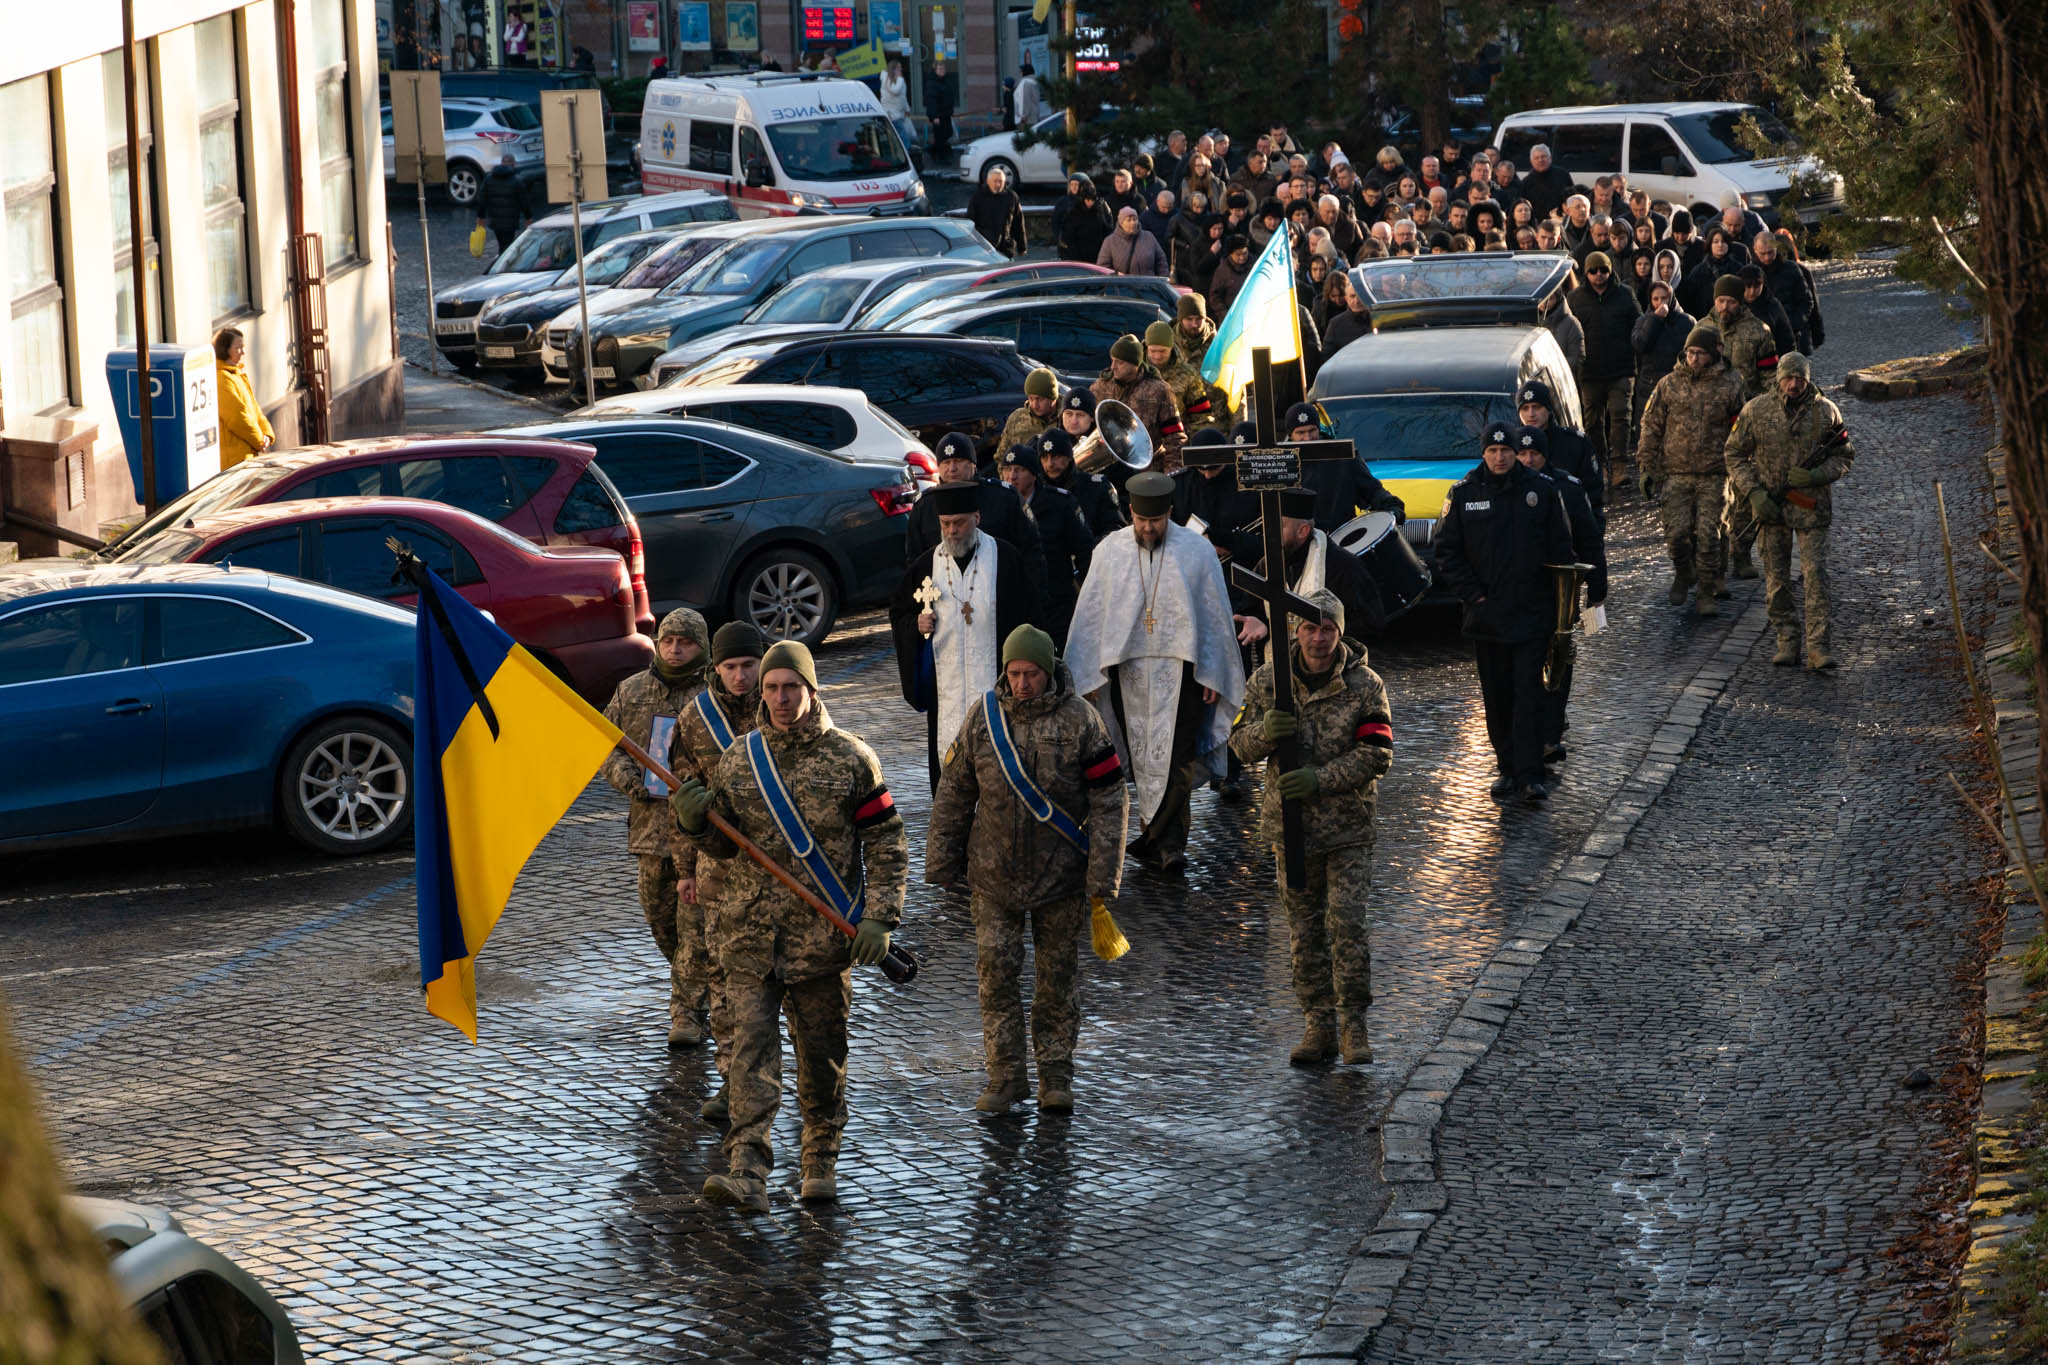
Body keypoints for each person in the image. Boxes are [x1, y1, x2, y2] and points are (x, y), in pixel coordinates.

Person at [670, 642, 906, 1212]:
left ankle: (819, 1161)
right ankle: (747, 1171)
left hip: (820, 945)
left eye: (789, 687)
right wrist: (696, 825)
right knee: (749, 1056)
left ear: (811, 690)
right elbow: (724, 847)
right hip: (747, 939)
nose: (779, 698)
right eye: (771, 688)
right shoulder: (740, 759)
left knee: (821, 1060)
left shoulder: (852, 759)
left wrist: (880, 916)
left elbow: (887, 842)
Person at [927, 624, 1127, 1113]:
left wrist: (1103, 874)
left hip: (1060, 878)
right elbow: (955, 791)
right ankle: (1005, 1077)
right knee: (995, 978)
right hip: (992, 879)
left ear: (1048, 670)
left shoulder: (1082, 720)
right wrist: (942, 861)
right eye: (1014, 673)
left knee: (1056, 981)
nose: (1022, 683)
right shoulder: (983, 717)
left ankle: (1055, 1077)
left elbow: (1109, 798)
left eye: (1031, 673)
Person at [1229, 587, 1390, 1067]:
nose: (1318, 639)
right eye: (1309, 628)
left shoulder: (1365, 685)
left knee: (1347, 924)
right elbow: (1238, 746)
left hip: (1347, 828)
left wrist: (1319, 779)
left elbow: (1377, 753)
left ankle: (1353, 1026)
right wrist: (1266, 734)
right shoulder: (1267, 682)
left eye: (1328, 629)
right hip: (1291, 831)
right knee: (1303, 933)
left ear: (1341, 632)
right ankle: (1317, 1025)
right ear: (1294, 633)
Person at [1063, 471, 1246, 877]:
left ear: (1168, 513)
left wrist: (1212, 672)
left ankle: (1168, 845)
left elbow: (1213, 616)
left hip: (1184, 675)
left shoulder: (1195, 551)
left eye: (1156, 521)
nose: (1148, 528)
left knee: (1176, 758)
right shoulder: (1110, 551)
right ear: (1131, 512)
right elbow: (1092, 615)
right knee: (1143, 759)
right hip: (1125, 673)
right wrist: (1090, 676)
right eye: (1142, 521)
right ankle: (1155, 838)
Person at [1433, 423, 1575, 804]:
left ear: (1515, 452)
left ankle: (1531, 773)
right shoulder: (1463, 494)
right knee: (1497, 697)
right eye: (1493, 451)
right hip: (1487, 617)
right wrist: (1474, 597)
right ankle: (1507, 768)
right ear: (1483, 453)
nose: (1500, 457)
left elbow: (1562, 550)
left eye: (1506, 451)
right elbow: (1447, 553)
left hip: (1531, 614)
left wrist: (1563, 610)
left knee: (1528, 694)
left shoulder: (1541, 490)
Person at [667, 620, 769, 1124]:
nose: (740, 676)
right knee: (725, 984)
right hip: (717, 871)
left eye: (748, 665)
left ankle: (773, 1082)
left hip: (778, 870)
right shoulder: (694, 720)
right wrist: (684, 869)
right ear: (716, 669)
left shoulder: (784, 703)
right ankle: (732, 1085)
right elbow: (680, 798)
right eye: (730, 667)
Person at [601, 609, 712, 1046]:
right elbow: (605, 746)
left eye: (685, 641)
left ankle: (686, 1014)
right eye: (668, 641)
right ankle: (700, 986)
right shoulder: (631, 693)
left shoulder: (714, 695)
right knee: (664, 926)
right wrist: (629, 780)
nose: (675, 649)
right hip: (650, 835)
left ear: (701, 646)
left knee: (695, 928)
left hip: (703, 839)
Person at [893, 480, 1044, 786]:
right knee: (951, 781)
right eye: (945, 524)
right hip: (945, 696)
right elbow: (900, 613)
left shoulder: (1006, 559)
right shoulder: (925, 567)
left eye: (959, 522)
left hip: (1000, 696)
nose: (952, 531)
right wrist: (915, 627)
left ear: (977, 518)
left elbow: (1031, 617)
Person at [1725, 352, 1854, 670]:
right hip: (1772, 509)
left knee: (1815, 577)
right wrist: (1754, 492)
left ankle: (1818, 647)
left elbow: (1844, 456)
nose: (1794, 384)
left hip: (1812, 510)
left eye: (1800, 378)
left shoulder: (1825, 412)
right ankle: (1787, 641)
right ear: (1778, 377)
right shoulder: (1755, 410)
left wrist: (1815, 476)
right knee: (1777, 580)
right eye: (1788, 377)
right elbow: (1734, 453)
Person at [1510, 425, 1606, 767]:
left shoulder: (1566, 485)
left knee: (1560, 659)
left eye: (1534, 453)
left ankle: (1550, 734)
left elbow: (1589, 537)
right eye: (1522, 454)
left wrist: (1598, 590)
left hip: (1559, 590)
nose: (1528, 460)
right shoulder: (1507, 487)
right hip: (1517, 591)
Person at [1637, 324, 1746, 615]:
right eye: (1690, 353)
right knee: (1677, 534)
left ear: (1714, 354)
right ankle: (1684, 572)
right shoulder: (1669, 384)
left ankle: (1706, 593)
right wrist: (1647, 466)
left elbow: (1742, 430)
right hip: (1676, 472)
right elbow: (1651, 425)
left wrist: (1740, 466)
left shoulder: (1732, 384)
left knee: (1709, 534)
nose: (1694, 359)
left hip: (1715, 472)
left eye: (1700, 353)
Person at [903, 433, 1048, 608]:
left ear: (973, 464)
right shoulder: (924, 506)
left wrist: (1033, 601)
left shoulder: (1004, 497)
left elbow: (1031, 551)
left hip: (1000, 597)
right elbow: (915, 560)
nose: (952, 468)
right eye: (946, 463)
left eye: (958, 461)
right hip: (945, 603)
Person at [1709, 273, 1781, 581]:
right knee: (1713, 495)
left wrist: (1763, 415)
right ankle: (1713, 559)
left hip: (1745, 424)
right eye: (1721, 300)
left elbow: (1770, 377)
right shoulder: (1702, 330)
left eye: (1731, 301)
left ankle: (1741, 553)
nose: (1725, 307)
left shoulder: (1758, 332)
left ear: (1741, 302)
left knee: (1744, 491)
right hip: (1709, 426)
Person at [1003, 436, 1096, 643]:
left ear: (1034, 474)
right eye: (1007, 470)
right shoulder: (999, 505)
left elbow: (1084, 551)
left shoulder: (1060, 503)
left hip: (1056, 602)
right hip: (1013, 602)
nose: (1012, 476)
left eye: (1019, 470)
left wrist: (1088, 595)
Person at [1567, 250, 1642, 491]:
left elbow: (1638, 325)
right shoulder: (1576, 298)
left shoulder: (1625, 295)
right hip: (1590, 371)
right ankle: (1599, 465)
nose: (1599, 275)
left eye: (1604, 270)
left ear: (1611, 271)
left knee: (1621, 416)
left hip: (1621, 368)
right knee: (1592, 421)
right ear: (1586, 273)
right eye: (1593, 271)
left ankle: (1619, 465)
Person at [1171, 428, 1263, 568]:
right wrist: (1199, 543)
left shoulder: (1249, 484)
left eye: (1214, 469)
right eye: (1202, 470)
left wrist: (1229, 543)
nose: (1208, 475)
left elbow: (1264, 541)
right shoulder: (1179, 485)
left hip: (1238, 567)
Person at [1514, 379, 1601, 526]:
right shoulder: (1511, 446)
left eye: (1536, 407)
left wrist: (1595, 533)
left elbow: (1593, 494)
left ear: (1548, 408)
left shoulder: (1575, 443)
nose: (1531, 414)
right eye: (1525, 408)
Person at [1091, 333, 1185, 470]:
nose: (1113, 366)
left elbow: (1175, 438)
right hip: (1107, 469)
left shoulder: (1159, 390)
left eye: (1120, 362)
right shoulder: (1100, 387)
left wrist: (1173, 475)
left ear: (1135, 364)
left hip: (1148, 471)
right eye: (1112, 360)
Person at [1041, 401, 1125, 536]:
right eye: (1045, 457)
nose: (1050, 464)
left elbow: (1113, 528)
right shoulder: (1036, 487)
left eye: (1056, 457)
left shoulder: (1097, 486)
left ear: (1068, 457)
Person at [1631, 279, 1694, 450]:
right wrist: (1655, 320)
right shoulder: (1643, 321)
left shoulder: (1686, 321)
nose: (1660, 303)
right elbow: (1640, 345)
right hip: (1650, 384)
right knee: (1648, 435)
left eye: (1664, 298)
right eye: (1655, 299)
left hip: (1678, 383)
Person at [214, 327, 273, 470]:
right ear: (225, 349)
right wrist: (259, 440)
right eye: (238, 348)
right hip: (234, 458)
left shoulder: (236, 374)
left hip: (245, 453)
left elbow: (254, 408)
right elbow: (236, 417)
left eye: (243, 347)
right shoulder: (222, 378)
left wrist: (267, 434)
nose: (243, 352)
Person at [1146, 321, 1217, 435]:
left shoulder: (1188, 375)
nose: (1157, 356)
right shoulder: (1134, 371)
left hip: (1176, 443)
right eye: (1153, 351)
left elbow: (1201, 417)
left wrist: (1193, 443)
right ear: (1146, 347)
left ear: (1171, 347)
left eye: (1162, 351)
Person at [998, 367, 1061, 456]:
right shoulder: (1017, 418)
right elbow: (1002, 457)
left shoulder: (1068, 418)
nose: (1035, 405)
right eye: (1031, 399)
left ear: (1052, 398)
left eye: (1040, 399)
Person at [968, 166, 1027, 258]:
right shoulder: (978, 197)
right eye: (995, 181)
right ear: (988, 181)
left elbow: (1018, 223)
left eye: (1001, 181)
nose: (998, 184)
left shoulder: (1011, 197)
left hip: (1006, 247)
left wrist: (1022, 247)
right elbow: (970, 222)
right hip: (984, 247)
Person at [476, 153, 527, 257]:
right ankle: (504, 264)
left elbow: (482, 199)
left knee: (501, 243)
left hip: (495, 220)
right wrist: (528, 217)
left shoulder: (489, 178)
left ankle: (501, 259)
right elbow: (524, 201)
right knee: (508, 245)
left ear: (501, 163)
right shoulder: (517, 180)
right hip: (511, 221)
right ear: (513, 165)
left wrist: (481, 217)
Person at [1098, 206, 1169, 276]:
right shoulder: (1110, 241)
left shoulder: (1149, 236)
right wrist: (1115, 275)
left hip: (1148, 285)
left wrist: (1163, 279)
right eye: (1129, 220)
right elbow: (1102, 268)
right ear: (1121, 223)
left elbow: (1161, 261)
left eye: (1135, 219)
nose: (1133, 223)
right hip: (1123, 286)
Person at [1059, 175, 1114, 265]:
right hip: (1079, 257)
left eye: (1092, 199)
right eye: (1087, 199)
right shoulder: (1073, 213)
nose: (1090, 203)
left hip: (1098, 255)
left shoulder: (1100, 209)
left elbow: (1107, 230)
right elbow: (1069, 238)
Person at [924, 57, 956, 156]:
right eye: (940, 69)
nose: (942, 70)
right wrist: (935, 116)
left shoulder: (944, 80)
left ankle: (937, 152)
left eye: (943, 68)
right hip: (938, 114)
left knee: (947, 133)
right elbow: (931, 100)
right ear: (935, 70)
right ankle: (939, 156)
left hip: (946, 113)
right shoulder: (932, 83)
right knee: (940, 136)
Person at [880, 61, 914, 149]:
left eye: (900, 68)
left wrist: (906, 109)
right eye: (898, 68)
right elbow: (895, 91)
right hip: (892, 113)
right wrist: (900, 79)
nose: (901, 70)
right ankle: (906, 154)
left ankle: (905, 152)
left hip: (898, 112)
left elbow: (903, 96)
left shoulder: (897, 80)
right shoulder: (887, 80)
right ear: (893, 69)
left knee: (901, 135)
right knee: (901, 136)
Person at [1013, 60, 1044, 127]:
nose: (1019, 73)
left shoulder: (1025, 83)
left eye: (1020, 71)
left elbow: (1024, 100)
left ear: (1024, 72)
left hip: (1026, 120)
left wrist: (1023, 116)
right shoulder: (1034, 82)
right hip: (1033, 117)